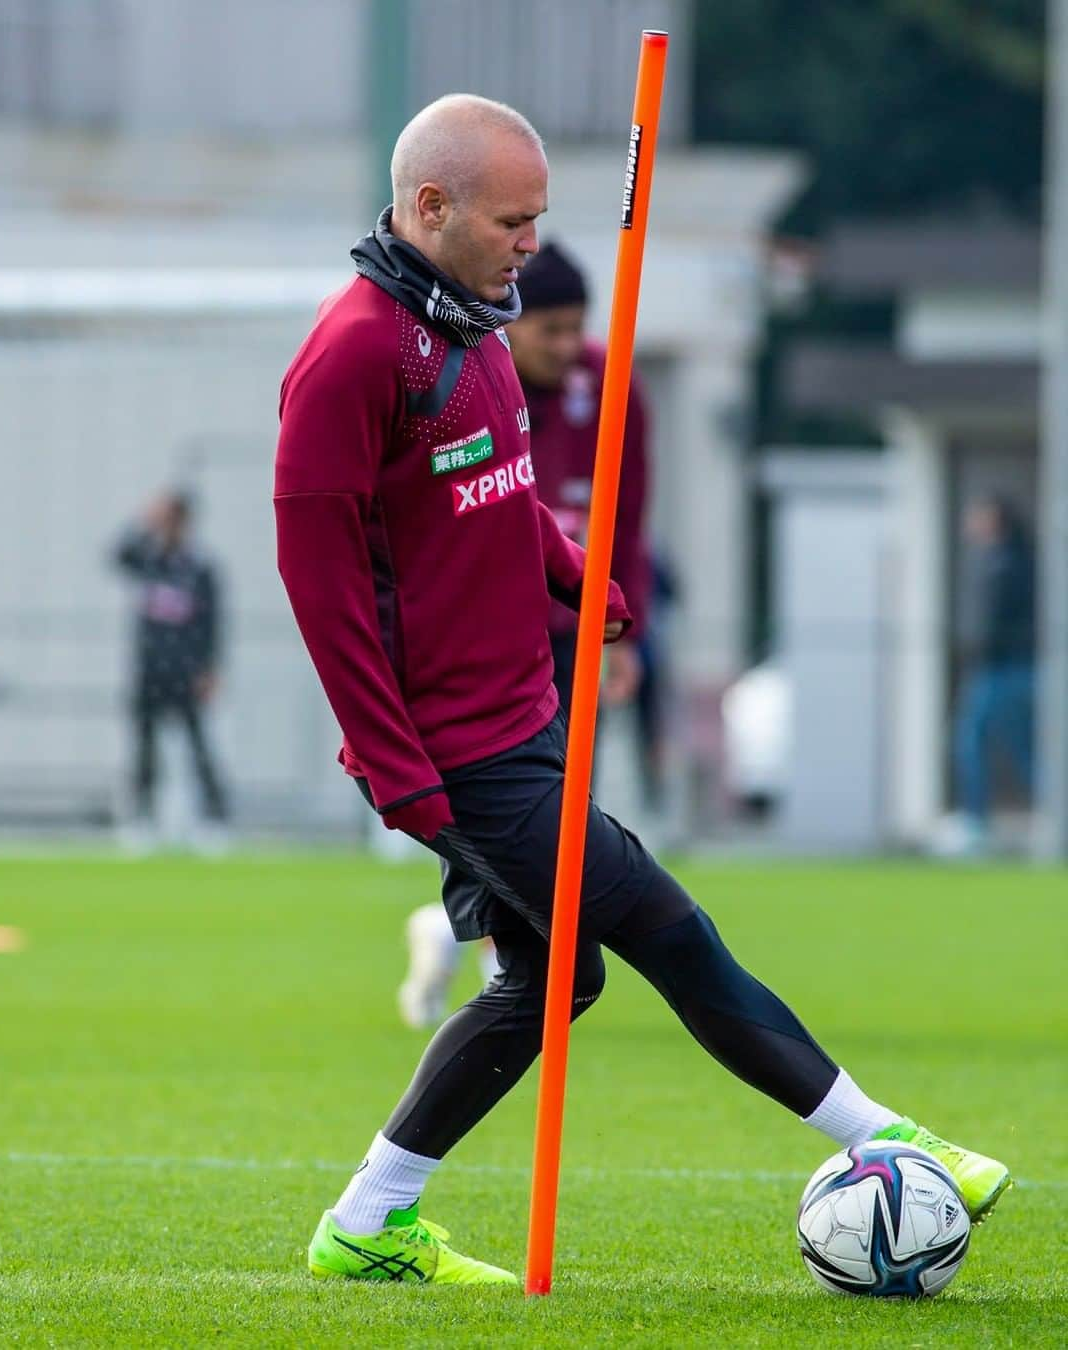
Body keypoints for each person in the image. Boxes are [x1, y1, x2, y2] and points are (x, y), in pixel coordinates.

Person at [274, 94, 1010, 1287]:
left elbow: (502, 503)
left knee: (551, 983)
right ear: (429, 207)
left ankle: (369, 1222)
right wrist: (394, 767)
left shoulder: (476, 329)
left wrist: (580, 579)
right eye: (512, 221)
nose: (530, 243)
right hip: (457, 755)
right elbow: (322, 588)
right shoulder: (353, 355)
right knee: (670, 930)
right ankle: (889, 1139)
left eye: (541, 218)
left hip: (526, 715)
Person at [396, 240, 651, 1028]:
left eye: (578, 327)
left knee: (568, 808)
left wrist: (626, 627)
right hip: (493, 634)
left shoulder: (612, 386)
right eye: (551, 329)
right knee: (511, 811)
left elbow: (629, 518)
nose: (567, 345)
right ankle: (484, 945)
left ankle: (469, 941)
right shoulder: (471, 379)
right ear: (512, 323)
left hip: (577, 632)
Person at [113, 491, 229, 843]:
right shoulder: (148, 560)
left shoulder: (199, 568)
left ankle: (213, 820)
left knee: (197, 746)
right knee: (145, 746)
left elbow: (213, 623)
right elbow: (117, 555)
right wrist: (145, 522)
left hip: (187, 672)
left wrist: (210, 668)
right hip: (149, 670)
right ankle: (142, 819)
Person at [948, 493, 1036, 855]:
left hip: (1003, 669)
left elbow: (992, 625)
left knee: (971, 741)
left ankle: (975, 824)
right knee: (1025, 750)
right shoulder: (1009, 560)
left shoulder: (1006, 565)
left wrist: (976, 651)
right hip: (1009, 668)